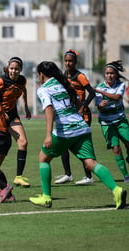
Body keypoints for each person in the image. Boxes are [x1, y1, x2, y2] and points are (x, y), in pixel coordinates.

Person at [29, 61, 127, 209]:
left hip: (65, 130)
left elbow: (49, 110)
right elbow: (79, 105)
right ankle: (116, 189)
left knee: (43, 158)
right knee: (90, 163)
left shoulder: (43, 89)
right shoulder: (64, 83)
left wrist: (48, 134)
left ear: (41, 74)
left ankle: (46, 197)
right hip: (82, 127)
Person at [55, 50, 96, 185]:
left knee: (82, 145)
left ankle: (88, 177)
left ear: (75, 62)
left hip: (82, 115)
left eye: (70, 61)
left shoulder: (80, 76)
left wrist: (83, 106)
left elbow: (91, 93)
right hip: (70, 115)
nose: (68, 63)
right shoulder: (63, 75)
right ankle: (68, 174)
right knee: (63, 144)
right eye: (66, 61)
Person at [95, 60, 129, 183]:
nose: (110, 75)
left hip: (120, 120)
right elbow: (97, 106)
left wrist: (102, 93)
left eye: (112, 73)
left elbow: (117, 97)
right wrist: (101, 106)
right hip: (106, 123)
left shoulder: (120, 85)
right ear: (104, 74)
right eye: (107, 73)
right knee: (116, 148)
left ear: (116, 74)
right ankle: (125, 175)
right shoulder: (99, 88)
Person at [0, 56, 31, 188]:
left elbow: (24, 90)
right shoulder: (1, 81)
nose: (13, 71)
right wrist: (1, 112)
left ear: (21, 69)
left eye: (16, 69)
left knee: (23, 142)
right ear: (8, 68)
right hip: (0, 116)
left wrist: (26, 107)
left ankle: (18, 177)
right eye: (11, 68)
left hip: (13, 114)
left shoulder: (22, 80)